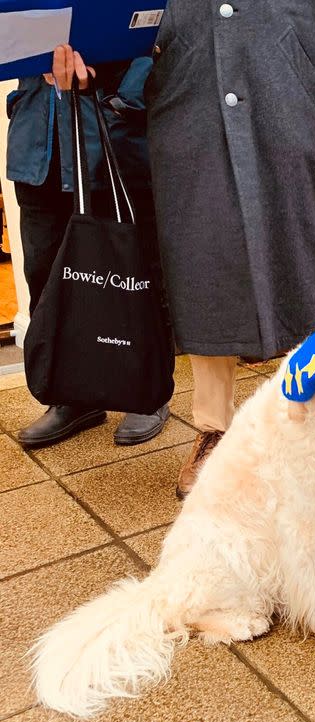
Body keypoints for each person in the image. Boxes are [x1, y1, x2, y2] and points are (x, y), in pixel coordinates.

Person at [145, 1, 315, 498]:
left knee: (301, 263)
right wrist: (100, 68)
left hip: (285, 96)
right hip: (188, 98)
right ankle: (214, 431)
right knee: (204, 266)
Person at [6, 46, 170, 448]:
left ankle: (145, 391)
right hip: (39, 145)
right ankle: (72, 396)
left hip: (110, 135)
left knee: (135, 273)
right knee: (46, 276)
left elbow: (158, 32)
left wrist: (123, 98)